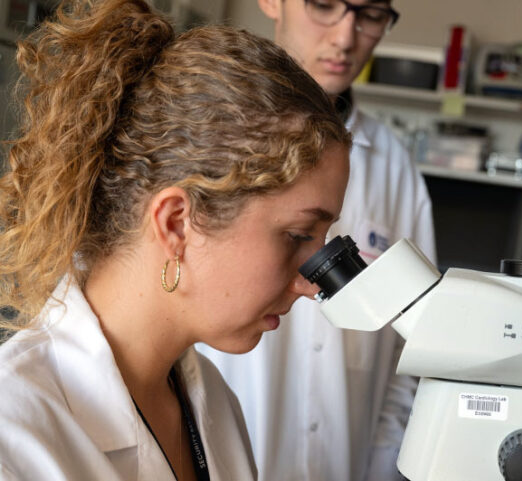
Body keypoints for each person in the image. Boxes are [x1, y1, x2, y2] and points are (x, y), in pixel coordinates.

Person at [0, 0, 351, 479]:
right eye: (296, 235)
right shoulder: (14, 435)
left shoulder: (212, 401)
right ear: (176, 224)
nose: (312, 284)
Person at [197, 1, 437, 480]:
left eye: (370, 14)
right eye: (324, 4)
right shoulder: (203, 136)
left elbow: (414, 347)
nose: (347, 38)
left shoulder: (395, 169)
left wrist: (381, 466)